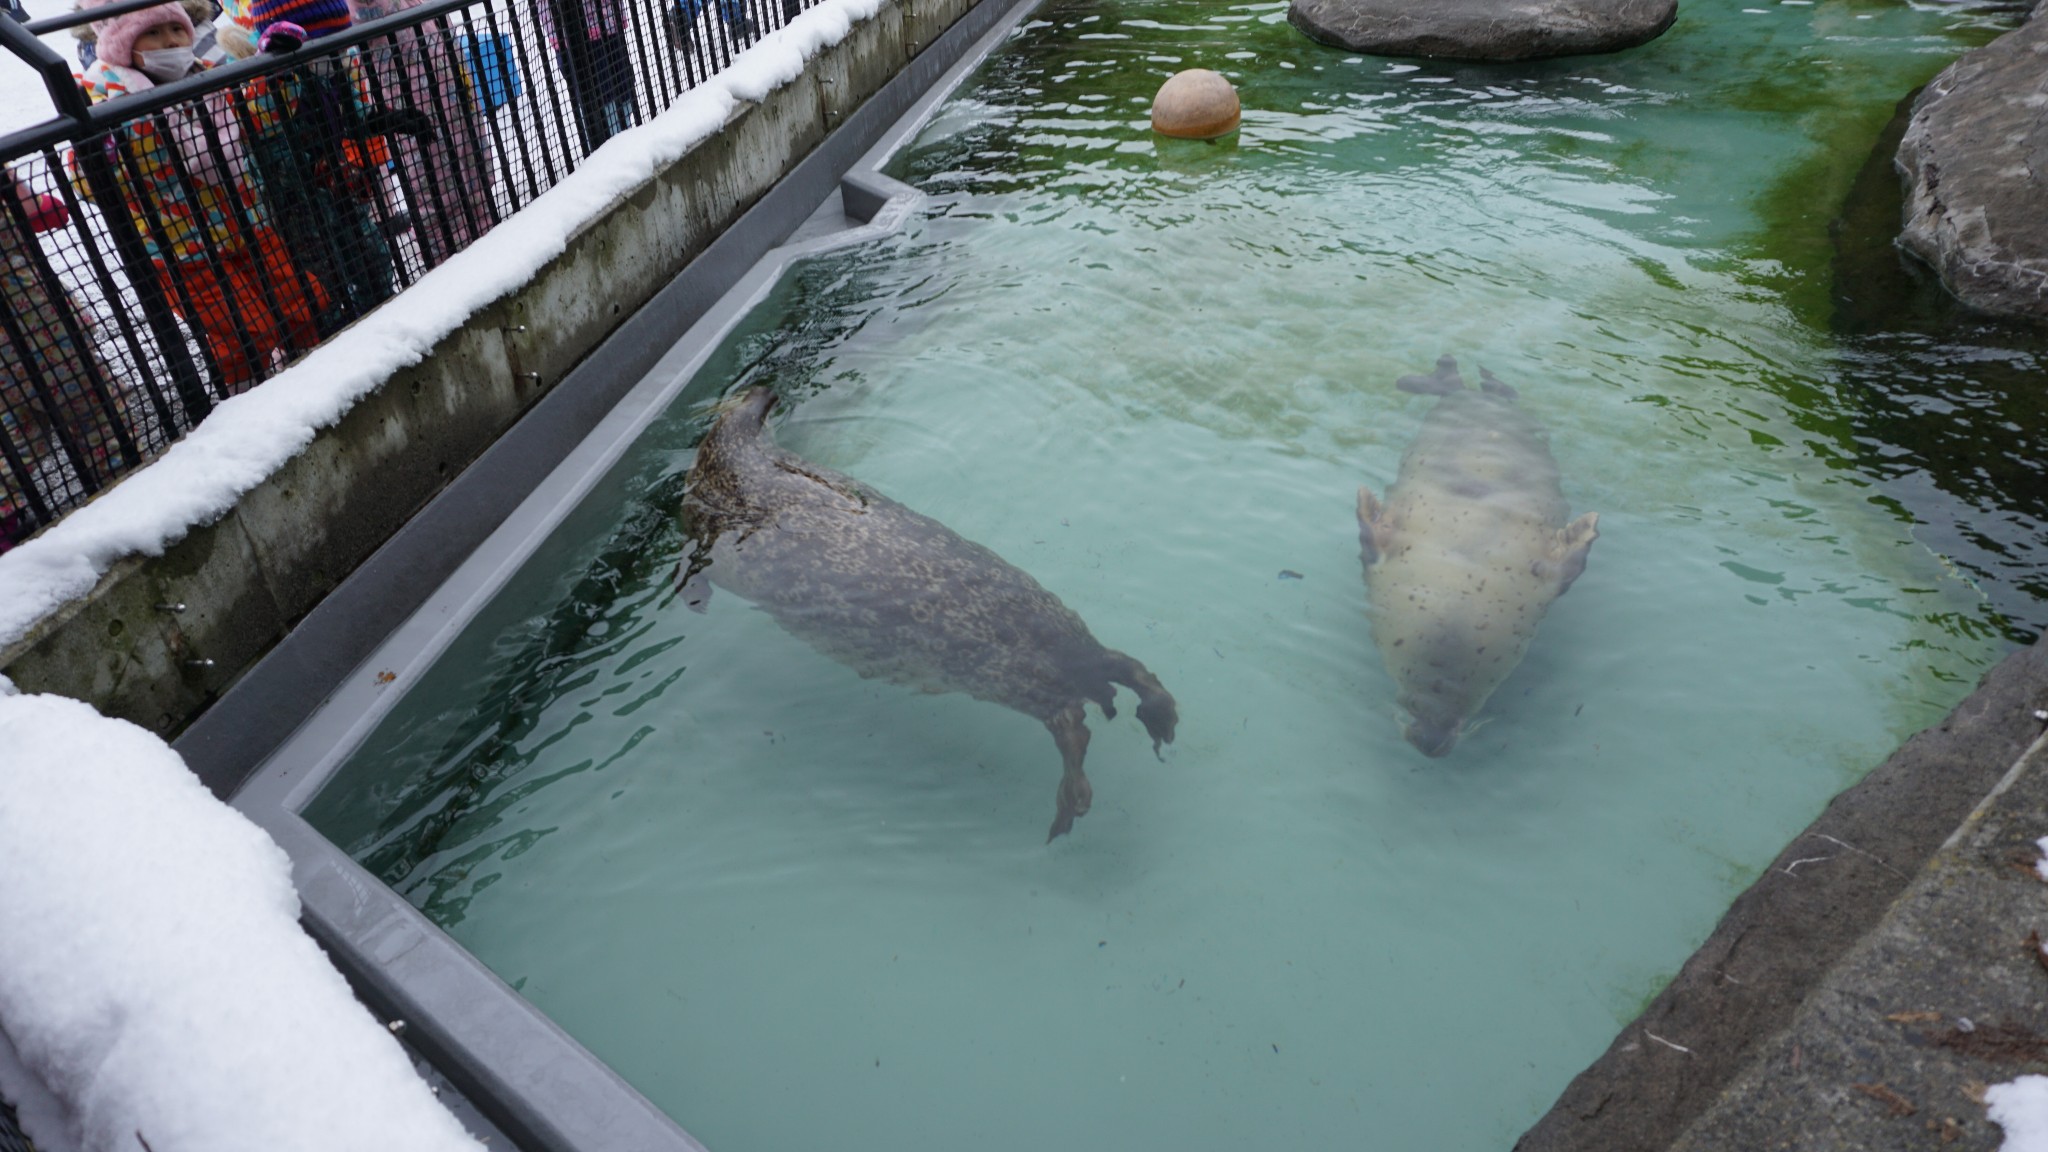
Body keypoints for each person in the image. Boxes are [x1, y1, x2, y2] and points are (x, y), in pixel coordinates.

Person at [70, 0, 329, 391]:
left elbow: (259, 117)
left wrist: (276, 70)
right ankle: (252, 402)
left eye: (176, 30)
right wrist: (104, 149)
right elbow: (89, 181)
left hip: (248, 221)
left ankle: (317, 380)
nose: (169, 41)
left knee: (302, 302)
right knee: (245, 332)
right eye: (152, 33)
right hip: (183, 248)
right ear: (124, 43)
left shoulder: (207, 74)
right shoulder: (104, 94)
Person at [237, 0, 433, 331]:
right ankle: (342, 338)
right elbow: (264, 151)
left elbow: (357, 117)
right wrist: (319, 171)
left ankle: (383, 323)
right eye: (327, 37)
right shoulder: (270, 85)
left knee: (374, 258)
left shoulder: (336, 62)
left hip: (337, 189)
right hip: (296, 206)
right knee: (327, 280)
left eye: (340, 35)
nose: (338, 44)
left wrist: (393, 119)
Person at [1, 165, 132, 553]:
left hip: (5, 362)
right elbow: (53, 211)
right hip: (47, 336)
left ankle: (4, 522)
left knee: (18, 434)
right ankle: (127, 499)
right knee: (101, 416)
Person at [345, 0, 499, 266]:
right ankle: (453, 269)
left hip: (453, 89)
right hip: (415, 105)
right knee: (435, 186)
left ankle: (490, 249)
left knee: (474, 174)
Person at [539, 0, 635, 153]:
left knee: (623, 88)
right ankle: (611, 150)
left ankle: (623, 139)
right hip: (576, 31)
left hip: (608, 22)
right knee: (600, 99)